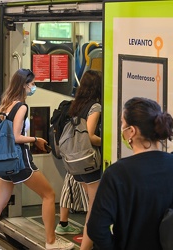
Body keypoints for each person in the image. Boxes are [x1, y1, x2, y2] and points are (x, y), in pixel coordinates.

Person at [87, 97, 173, 250]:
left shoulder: (117, 174)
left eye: (122, 123)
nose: (121, 129)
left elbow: (96, 227)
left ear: (131, 131)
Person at [0, 69, 74, 250]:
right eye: (31, 84)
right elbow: (16, 137)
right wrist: (35, 140)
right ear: (24, 85)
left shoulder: (5, 104)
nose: (33, 87)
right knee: (49, 195)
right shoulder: (21, 107)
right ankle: (51, 242)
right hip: (20, 160)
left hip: (6, 161)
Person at [66, 70, 102, 250]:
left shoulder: (76, 105)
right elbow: (89, 135)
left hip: (75, 164)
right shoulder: (95, 106)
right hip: (89, 164)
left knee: (91, 206)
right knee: (93, 210)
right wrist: (105, 142)